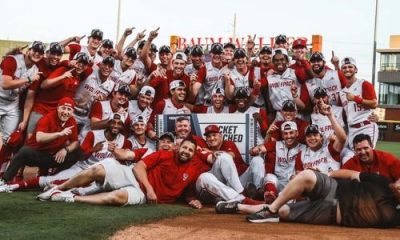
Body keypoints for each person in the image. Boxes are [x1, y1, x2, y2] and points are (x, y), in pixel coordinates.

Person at [37, 138, 206, 209]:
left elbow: (188, 191)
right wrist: (150, 188)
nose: (186, 151)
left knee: (116, 197)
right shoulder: (163, 154)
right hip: (135, 177)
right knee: (98, 169)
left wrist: (193, 200)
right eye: (184, 147)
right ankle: (58, 187)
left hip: (141, 194)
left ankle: (69, 198)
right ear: (178, 147)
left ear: (194, 153)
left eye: (190, 150)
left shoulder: (194, 168)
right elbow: (138, 167)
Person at [216, 169, 400, 228]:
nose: (399, 186)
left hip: (328, 213)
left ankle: (238, 207)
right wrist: (326, 174)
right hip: (333, 188)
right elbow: (352, 174)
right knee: (307, 175)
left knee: (284, 211)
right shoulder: (381, 181)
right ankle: (270, 211)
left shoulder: (394, 215)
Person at [0, 112, 131, 192]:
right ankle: (15, 186)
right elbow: (81, 156)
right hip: (83, 168)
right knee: (52, 179)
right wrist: (93, 149)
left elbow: (123, 161)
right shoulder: (94, 135)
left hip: (101, 174)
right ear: (108, 123)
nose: (116, 125)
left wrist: (116, 152)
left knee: (90, 188)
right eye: (113, 122)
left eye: (119, 124)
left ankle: (55, 189)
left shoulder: (124, 140)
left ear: (122, 127)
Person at [0, 97, 83, 188]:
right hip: (37, 155)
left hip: (53, 156)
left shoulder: (72, 121)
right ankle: (5, 180)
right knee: (24, 151)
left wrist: (65, 149)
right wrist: (59, 134)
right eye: (63, 108)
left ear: (72, 111)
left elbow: (75, 142)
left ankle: (54, 179)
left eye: (69, 109)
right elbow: (40, 137)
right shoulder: (47, 118)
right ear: (58, 108)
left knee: (77, 152)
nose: (65, 112)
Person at [195, 124, 264, 204]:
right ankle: (241, 194)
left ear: (221, 136)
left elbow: (230, 155)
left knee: (257, 160)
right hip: (224, 184)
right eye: (209, 136)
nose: (211, 138)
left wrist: (212, 152)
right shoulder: (206, 150)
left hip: (240, 179)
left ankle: (259, 193)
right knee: (211, 170)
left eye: (214, 135)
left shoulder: (227, 143)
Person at [250, 121, 306, 203]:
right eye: (285, 133)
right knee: (269, 176)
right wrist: (254, 150)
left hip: (293, 183)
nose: (288, 136)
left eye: (291, 133)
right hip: (278, 182)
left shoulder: (303, 148)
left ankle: (265, 201)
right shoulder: (277, 144)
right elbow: (257, 149)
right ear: (282, 135)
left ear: (297, 133)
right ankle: (270, 195)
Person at [0, 41, 44, 142]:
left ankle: (4, 157)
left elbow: (29, 98)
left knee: (10, 139)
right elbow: (5, 84)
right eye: (35, 50)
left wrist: (24, 121)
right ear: (28, 50)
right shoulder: (12, 59)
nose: (37, 53)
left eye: (41, 52)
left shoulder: (36, 71)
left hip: (12, 104)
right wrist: (29, 79)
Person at [295, 102, 347, 174]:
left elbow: (342, 138)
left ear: (321, 138)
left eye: (315, 135)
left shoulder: (330, 149)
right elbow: (298, 175)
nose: (312, 138)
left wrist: (330, 115)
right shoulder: (301, 155)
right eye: (309, 136)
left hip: (332, 182)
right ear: (305, 139)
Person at [339, 57, 378, 149]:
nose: (347, 69)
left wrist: (356, 99)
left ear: (355, 69)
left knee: (366, 156)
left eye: (350, 67)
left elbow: (374, 104)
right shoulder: (341, 92)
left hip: (365, 126)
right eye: (344, 67)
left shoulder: (364, 84)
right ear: (341, 71)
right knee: (354, 159)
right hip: (351, 129)